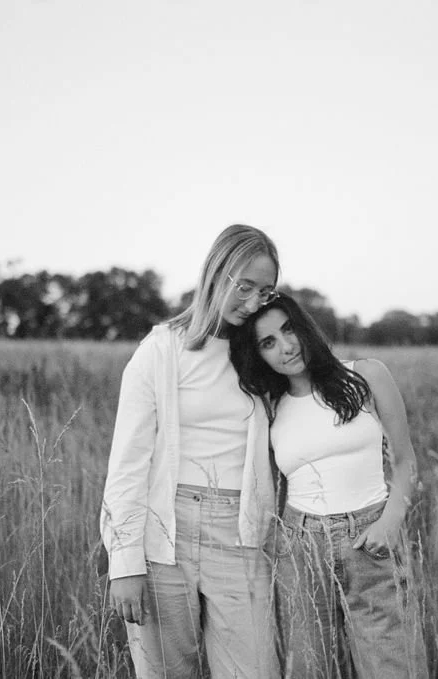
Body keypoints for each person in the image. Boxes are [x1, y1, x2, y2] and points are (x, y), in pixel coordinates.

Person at [100, 224, 281, 679]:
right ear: (216, 273)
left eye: (265, 291)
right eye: (245, 287)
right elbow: (128, 462)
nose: (254, 302)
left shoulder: (263, 353)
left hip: (239, 533)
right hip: (166, 534)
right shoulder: (160, 350)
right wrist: (124, 562)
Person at [229, 293, 426, 679]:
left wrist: (391, 521)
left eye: (288, 330)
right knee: (309, 668)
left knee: (392, 665)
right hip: (300, 548)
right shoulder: (268, 408)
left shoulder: (367, 374)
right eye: (268, 343)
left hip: (370, 540)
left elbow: (405, 462)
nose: (286, 347)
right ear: (259, 355)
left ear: (304, 327)